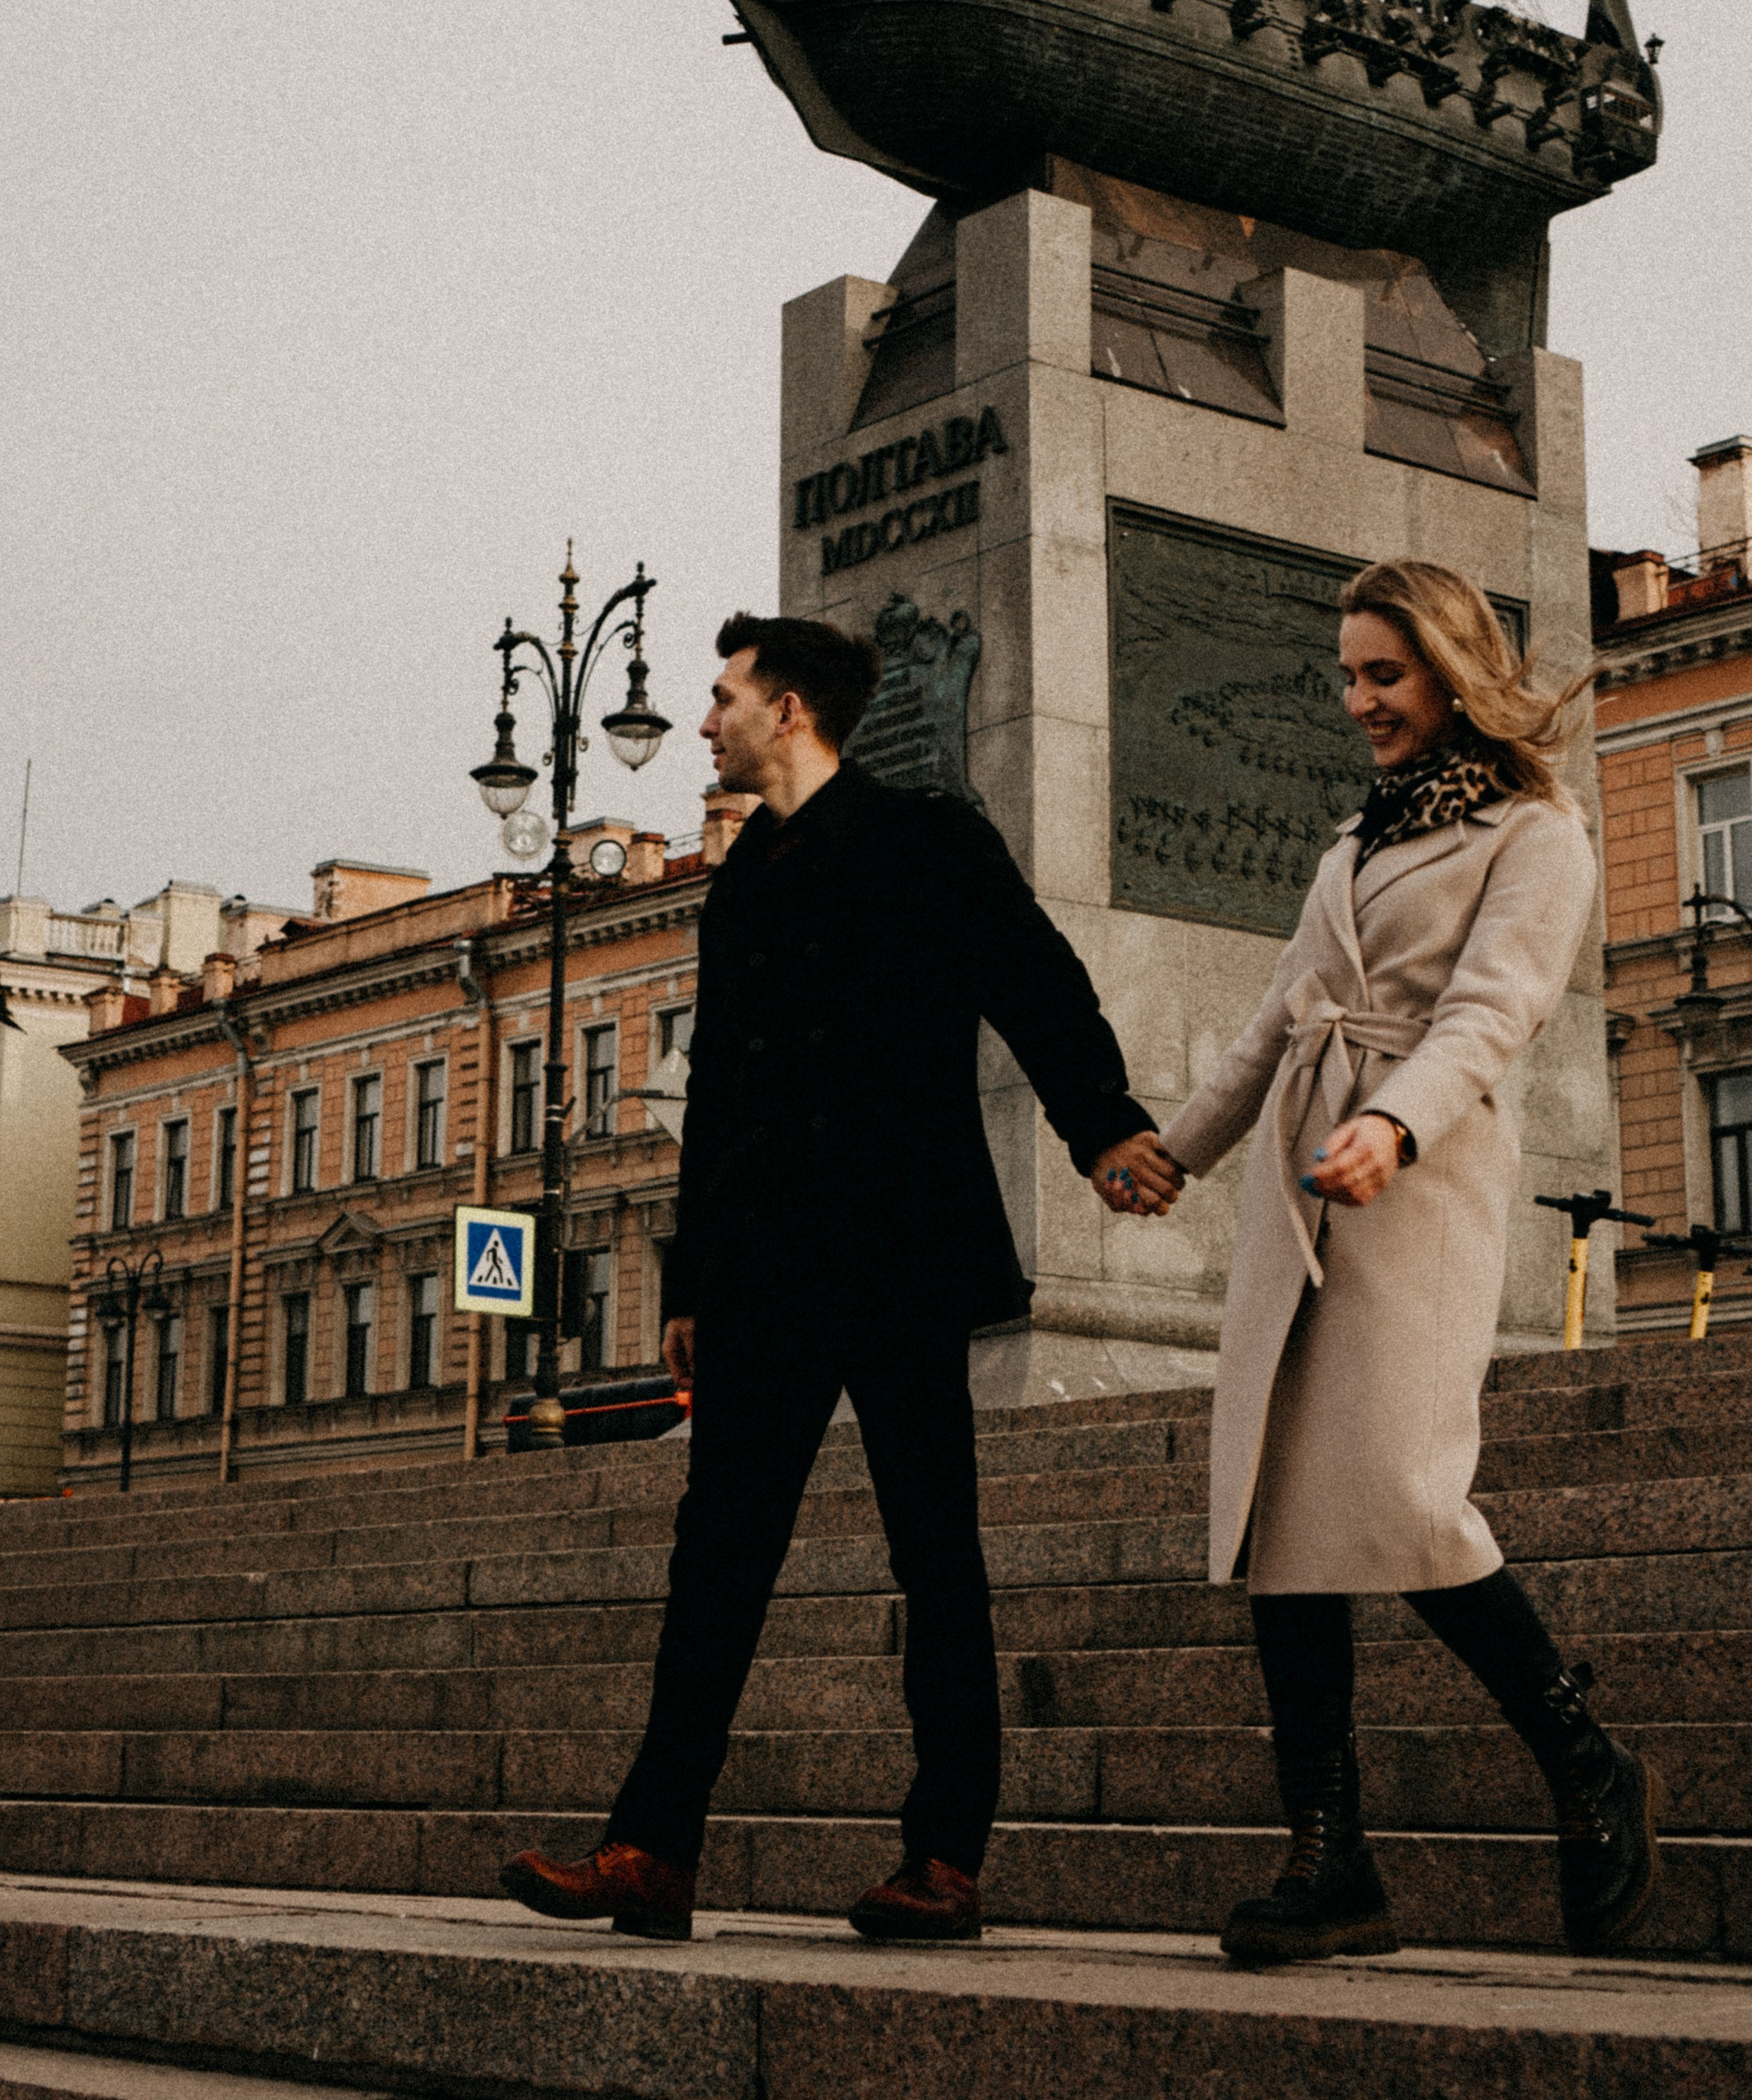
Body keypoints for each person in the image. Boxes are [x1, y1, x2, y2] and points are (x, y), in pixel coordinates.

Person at [500, 609, 1180, 1945]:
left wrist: (1102, 1124)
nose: (704, 722)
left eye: (722, 698)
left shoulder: (929, 839)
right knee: (718, 1561)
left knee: (937, 1550)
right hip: (765, 1271)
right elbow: (719, 1094)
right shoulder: (743, 876)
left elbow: (1037, 982)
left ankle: (945, 1859)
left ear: (790, 710)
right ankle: (650, 1851)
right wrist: (690, 1281)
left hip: (901, 1251)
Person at [1108, 559, 1660, 1967]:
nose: (1355, 699)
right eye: (1345, 674)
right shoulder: (1351, 841)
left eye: (1381, 674)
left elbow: (1492, 1013)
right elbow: (1278, 1012)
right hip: (1300, 1183)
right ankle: (1327, 1856)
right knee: (1288, 1521)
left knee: (1407, 1498)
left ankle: (1585, 1763)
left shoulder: (1536, 832)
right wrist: (1171, 1146)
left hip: (1410, 1181)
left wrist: (1389, 1123)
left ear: (1449, 669)